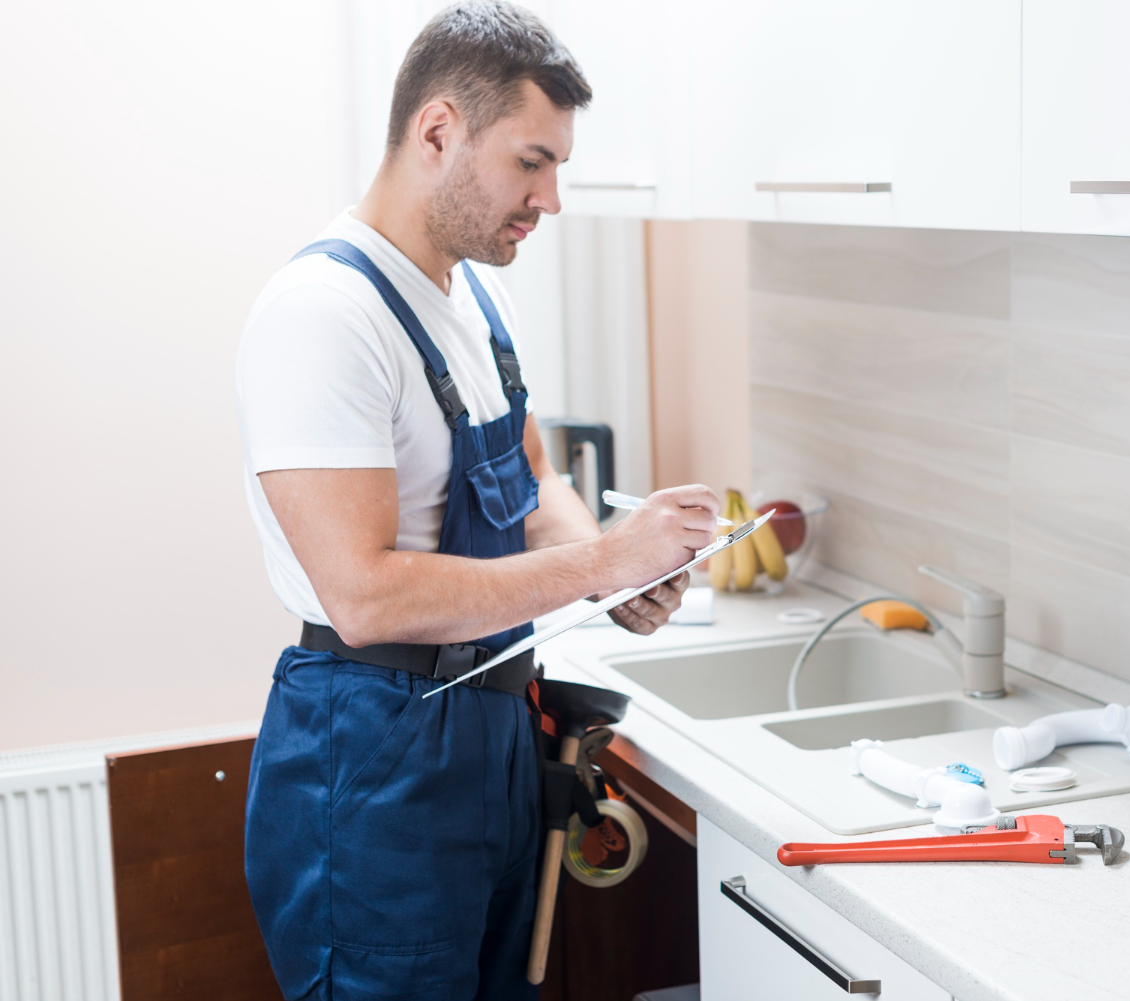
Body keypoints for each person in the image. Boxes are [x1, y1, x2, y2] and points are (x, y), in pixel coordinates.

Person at [234, 3, 719, 998]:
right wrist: (602, 562)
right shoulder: (324, 318)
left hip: (491, 740)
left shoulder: (470, 299)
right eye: (532, 162)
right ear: (439, 130)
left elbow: (533, 482)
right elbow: (364, 596)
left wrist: (617, 575)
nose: (550, 199)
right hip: (376, 763)